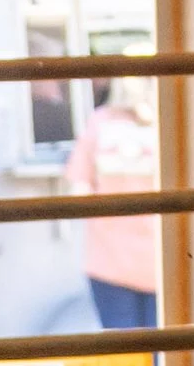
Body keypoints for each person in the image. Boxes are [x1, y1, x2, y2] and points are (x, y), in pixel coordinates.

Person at [64, 76, 160, 329]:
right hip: (161, 262)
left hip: (110, 263)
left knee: (123, 357)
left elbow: (79, 191)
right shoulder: (167, 125)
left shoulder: (99, 123)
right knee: (164, 356)